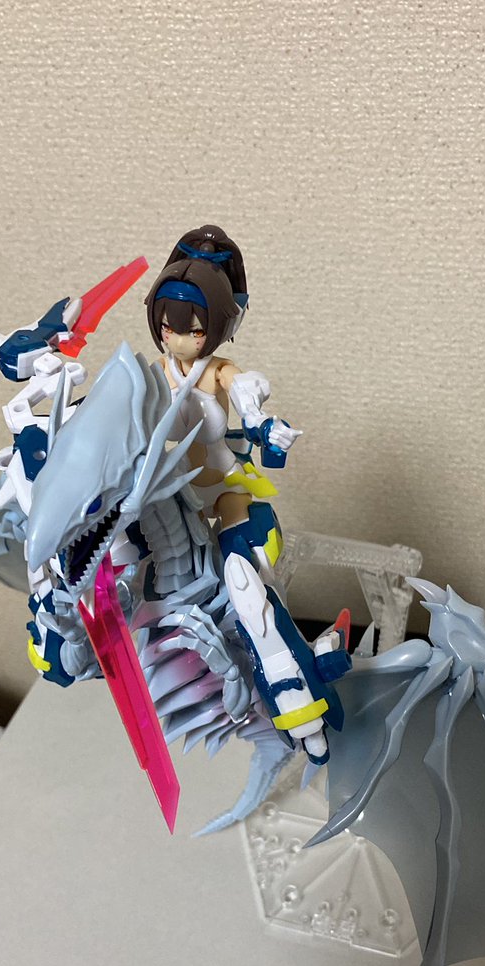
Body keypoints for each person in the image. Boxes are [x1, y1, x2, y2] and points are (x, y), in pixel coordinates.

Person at [143, 226, 349, 764]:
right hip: (175, 494)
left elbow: (247, 394)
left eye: (191, 329)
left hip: (226, 493)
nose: (176, 338)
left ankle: (297, 696)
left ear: (216, 326)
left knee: (243, 583)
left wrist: (262, 423)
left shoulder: (219, 372)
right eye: (167, 326)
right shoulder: (155, 373)